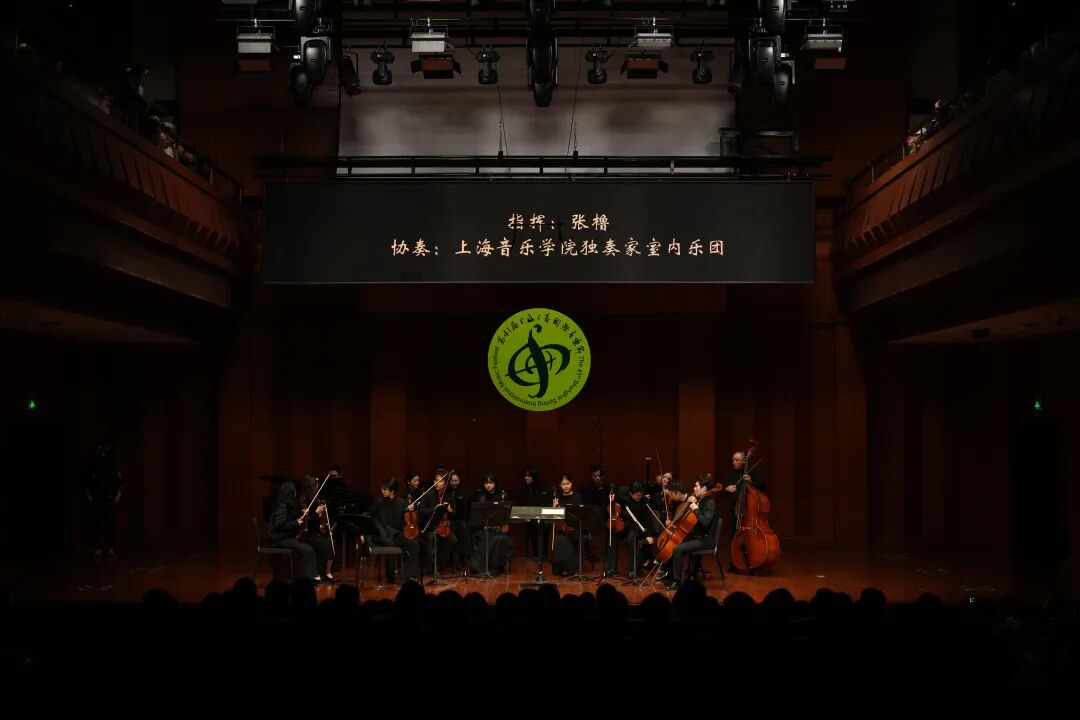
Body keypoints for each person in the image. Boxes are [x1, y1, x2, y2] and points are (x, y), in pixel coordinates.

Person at [666, 476, 718, 591]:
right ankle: (671, 574)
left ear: (704, 488)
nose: (694, 489)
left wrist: (695, 509)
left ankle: (677, 582)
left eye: (696, 486)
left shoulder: (710, 502)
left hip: (706, 539)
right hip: (697, 536)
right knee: (674, 541)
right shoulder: (701, 500)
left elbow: (705, 522)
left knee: (678, 549)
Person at [721, 450, 766, 572]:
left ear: (744, 461)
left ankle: (753, 561)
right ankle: (734, 562)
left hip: (750, 515)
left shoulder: (754, 473)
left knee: (750, 539)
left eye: (737, 460)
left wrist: (751, 481)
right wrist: (726, 489)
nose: (734, 462)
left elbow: (763, 486)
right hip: (735, 512)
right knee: (733, 538)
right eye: (733, 460)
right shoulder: (730, 474)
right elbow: (723, 489)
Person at [369, 477, 419, 583]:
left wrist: (409, 511)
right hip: (382, 534)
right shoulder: (378, 501)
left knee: (413, 544)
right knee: (390, 543)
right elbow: (369, 515)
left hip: (396, 534)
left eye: (385, 489)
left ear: (392, 491)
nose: (382, 491)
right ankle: (390, 574)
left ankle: (408, 576)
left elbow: (405, 520)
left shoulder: (401, 502)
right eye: (382, 489)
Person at [83, 444, 122, 558]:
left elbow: (118, 480)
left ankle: (111, 548)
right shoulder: (93, 464)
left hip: (109, 498)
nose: (101, 452)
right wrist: (89, 495)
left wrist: (118, 494)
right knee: (97, 523)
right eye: (100, 450)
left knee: (110, 523)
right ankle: (97, 548)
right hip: (96, 498)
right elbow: (87, 481)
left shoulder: (111, 464)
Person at [550, 474, 584, 576]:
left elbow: (581, 513)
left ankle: (569, 568)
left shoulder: (578, 497)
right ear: (560, 485)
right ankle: (559, 567)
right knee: (559, 539)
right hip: (562, 527)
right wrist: (554, 508)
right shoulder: (558, 498)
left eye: (568, 484)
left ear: (572, 483)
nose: (565, 486)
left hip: (575, 527)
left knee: (567, 538)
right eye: (563, 484)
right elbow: (554, 516)